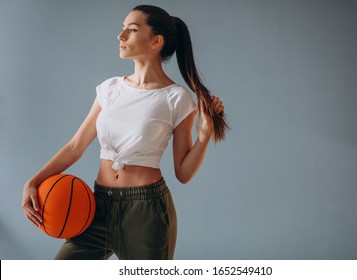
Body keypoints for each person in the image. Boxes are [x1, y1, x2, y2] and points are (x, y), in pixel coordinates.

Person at [21, 4, 228, 260]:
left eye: (131, 30)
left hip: (146, 211)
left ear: (156, 41)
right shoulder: (109, 89)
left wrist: (205, 136)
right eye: (122, 29)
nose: (120, 37)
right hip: (97, 206)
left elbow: (183, 173)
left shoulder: (177, 99)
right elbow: (76, 146)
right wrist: (33, 182)